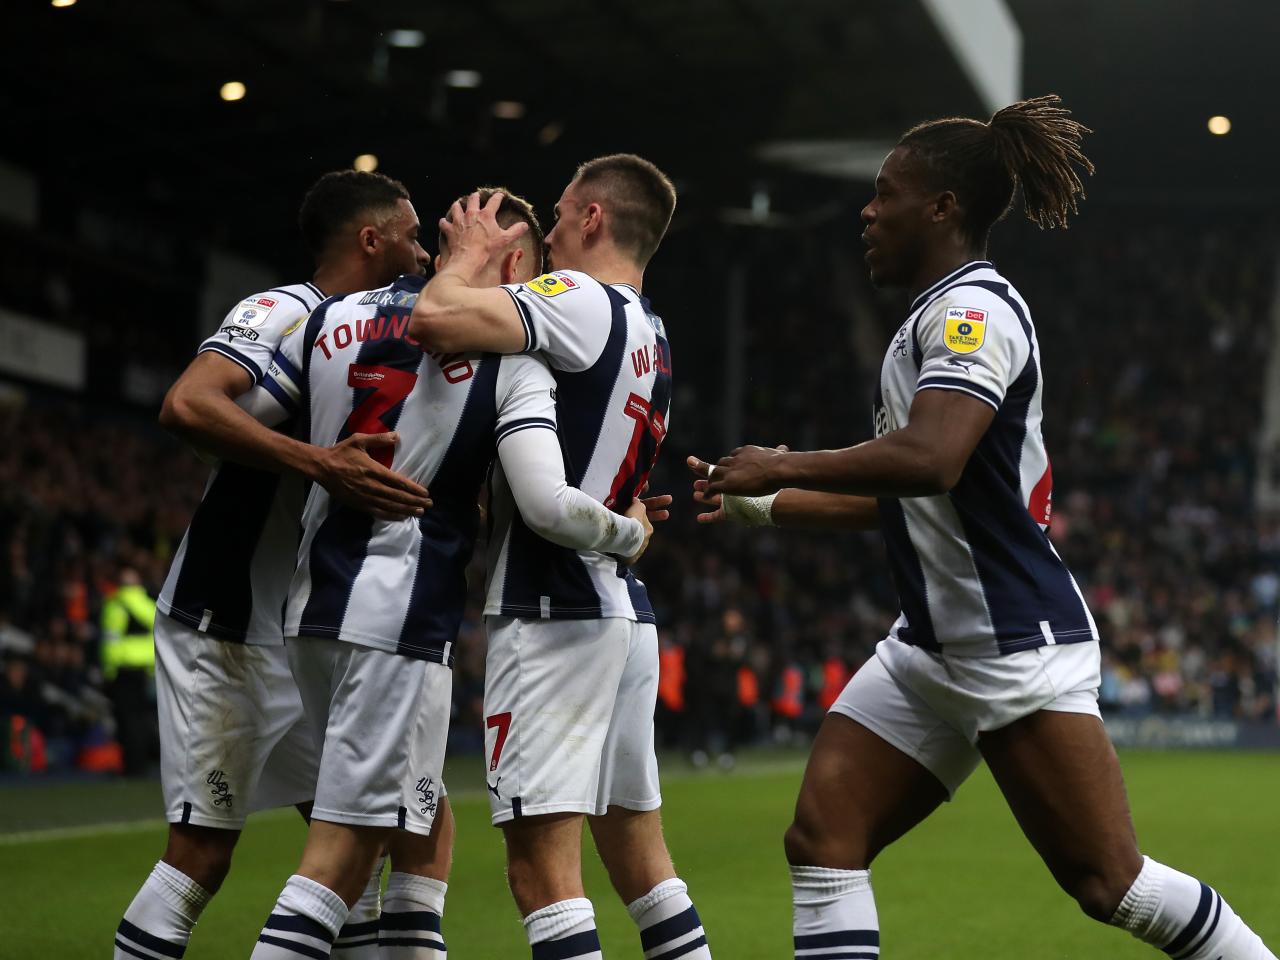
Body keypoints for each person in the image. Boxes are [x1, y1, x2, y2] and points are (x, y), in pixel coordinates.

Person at [688, 95, 1277, 960]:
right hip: (932, 645)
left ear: (942, 207)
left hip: (1011, 643)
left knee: (1112, 885)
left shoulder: (975, 313)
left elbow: (931, 459)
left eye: (884, 193)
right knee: (823, 842)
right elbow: (907, 498)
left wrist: (784, 463)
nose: (866, 210)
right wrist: (761, 503)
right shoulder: (926, 321)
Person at [247, 188, 656, 960]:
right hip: (398, 618)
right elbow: (543, 499)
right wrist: (627, 528)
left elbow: (239, 422)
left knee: (423, 832)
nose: (538, 290)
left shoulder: (334, 319)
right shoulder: (510, 356)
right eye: (532, 269)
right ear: (506, 259)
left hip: (310, 609)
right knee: (340, 859)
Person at [114, 170, 435, 960]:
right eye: (411, 234)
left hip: (303, 635)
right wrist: (319, 462)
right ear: (371, 240)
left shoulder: (386, 335)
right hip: (223, 626)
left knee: (353, 857)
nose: (424, 252)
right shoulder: (285, 311)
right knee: (200, 859)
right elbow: (188, 404)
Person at [411, 157, 711, 960]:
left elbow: (434, 318)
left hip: (553, 614)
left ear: (592, 221)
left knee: (541, 875)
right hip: (617, 615)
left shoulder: (577, 297)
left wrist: (467, 256)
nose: (543, 232)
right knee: (644, 868)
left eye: (557, 214)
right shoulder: (650, 326)